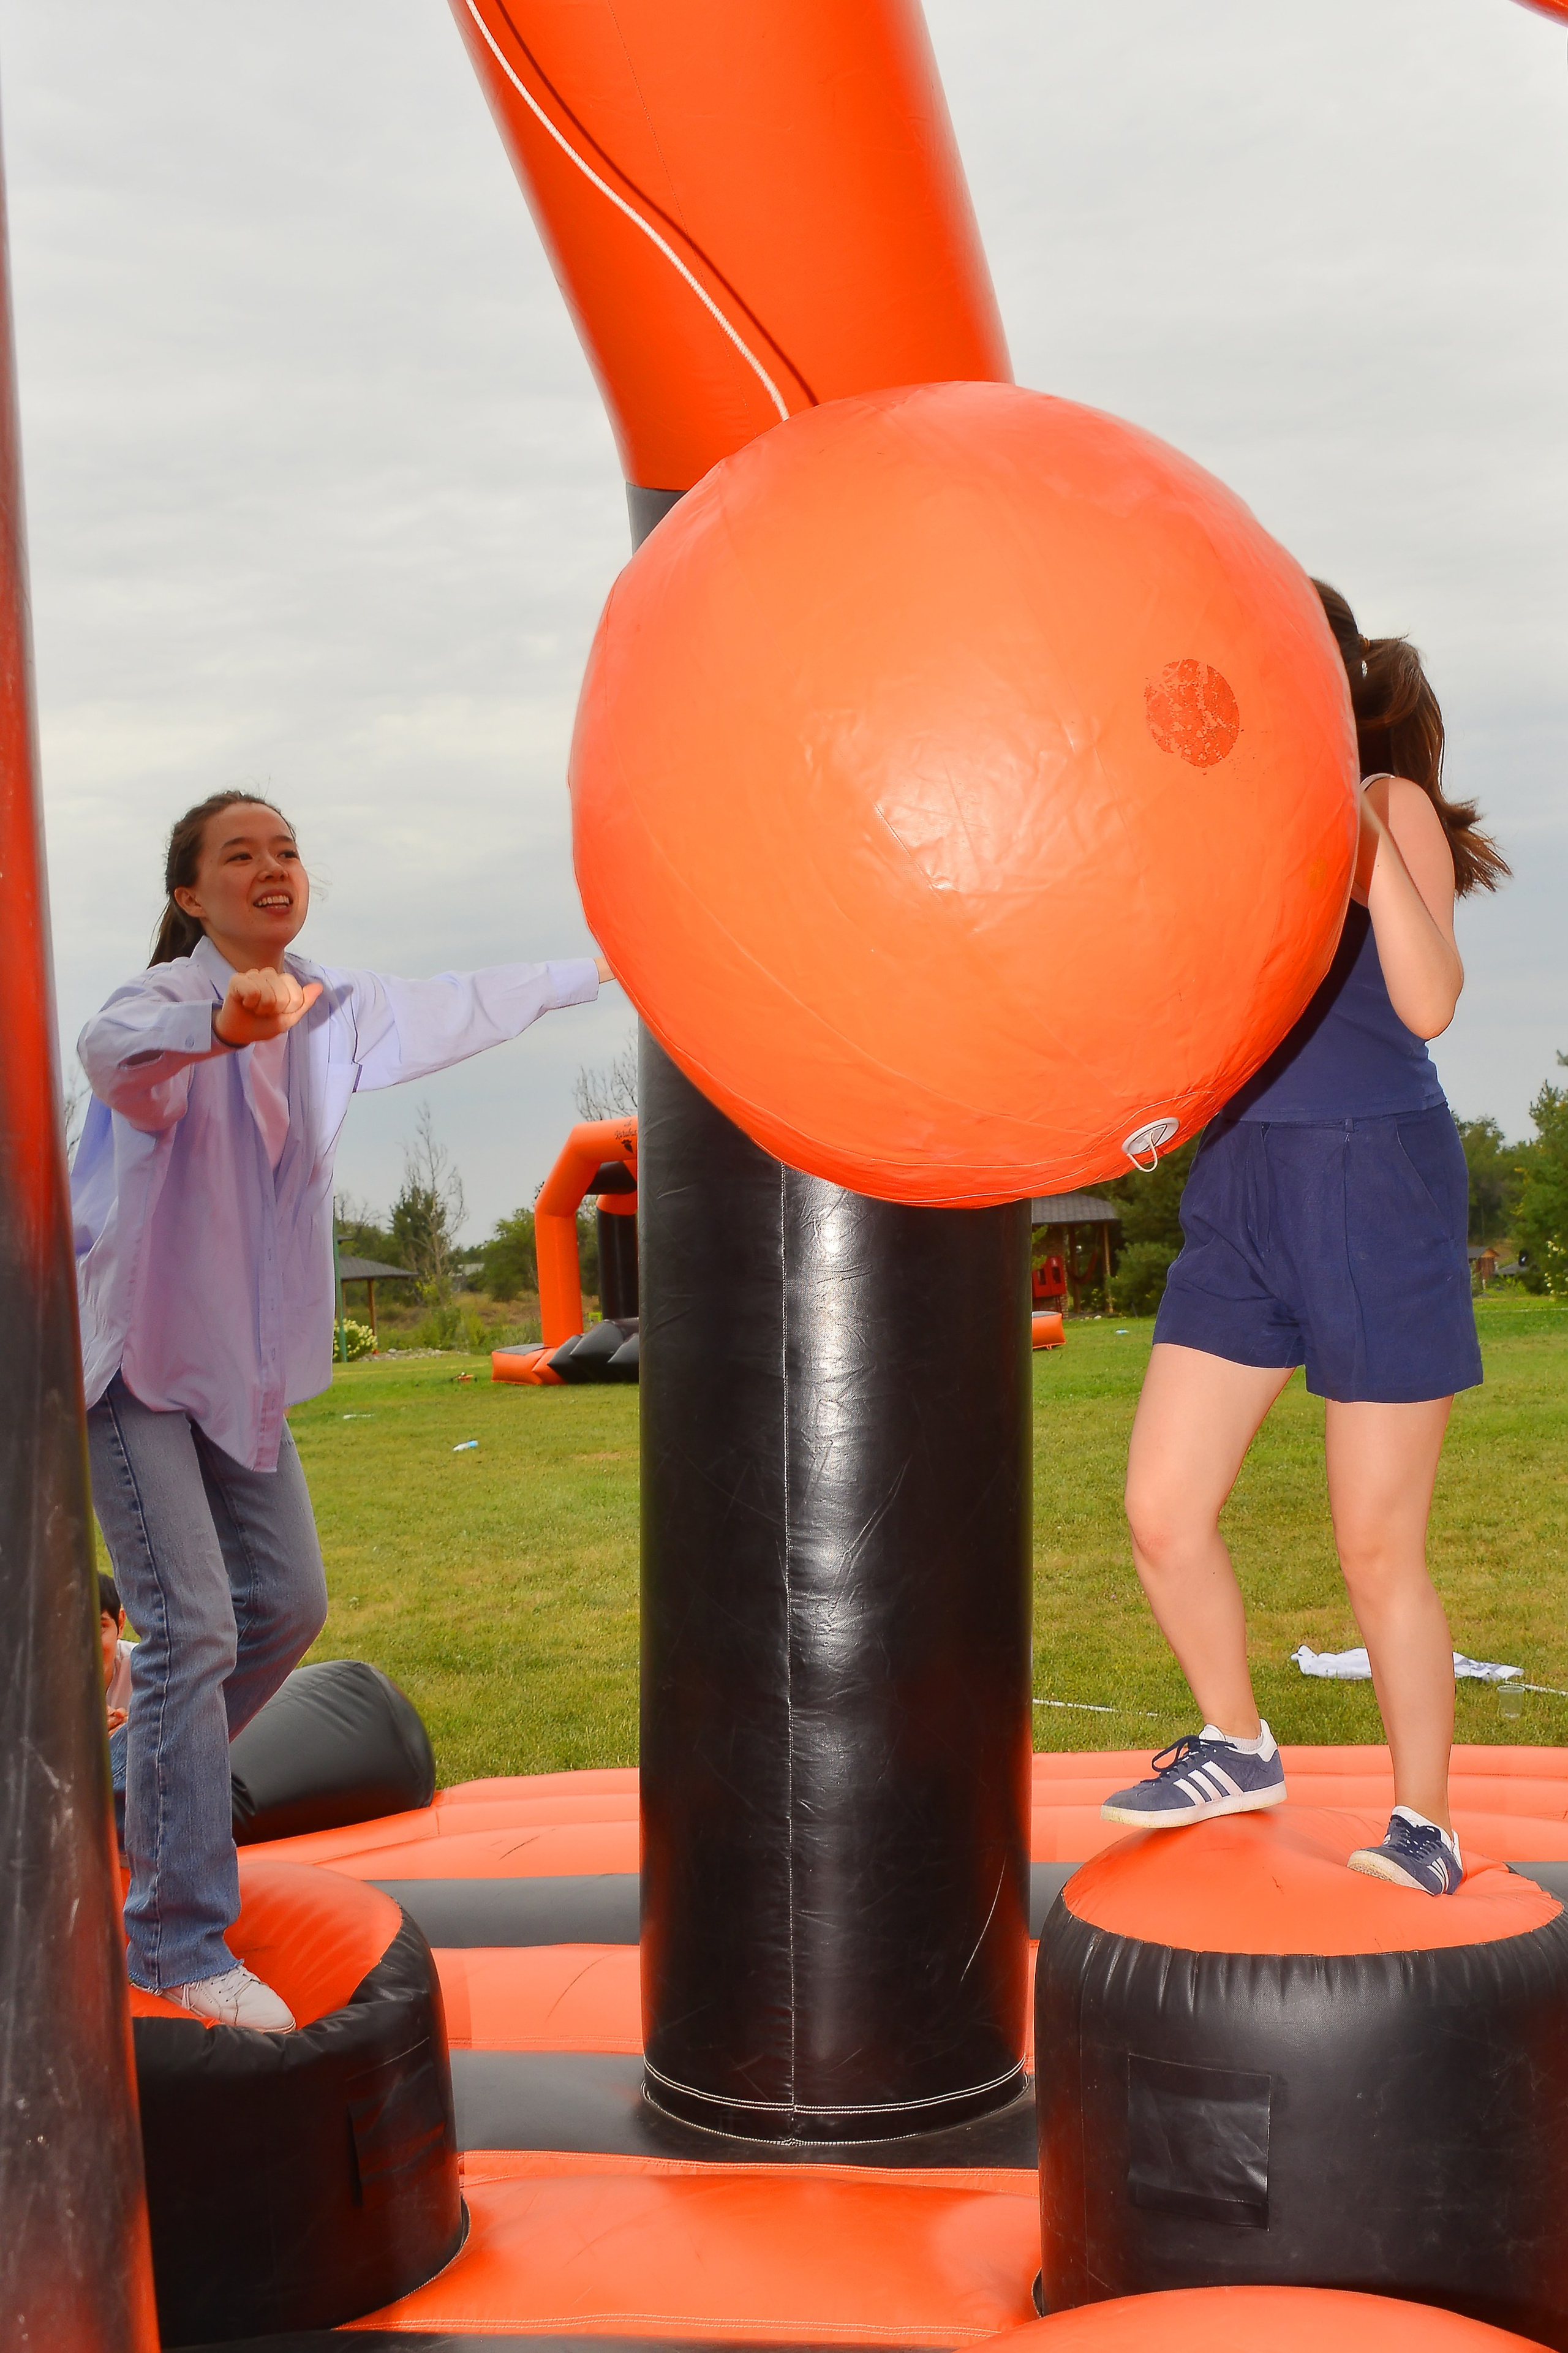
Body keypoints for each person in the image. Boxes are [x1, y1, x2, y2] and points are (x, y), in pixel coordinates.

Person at [75, 790, 611, 2025]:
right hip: (130, 1364)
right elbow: (119, 1061)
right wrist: (221, 1021)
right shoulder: (159, 1005)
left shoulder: (330, 1009)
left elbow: (459, 1003)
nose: (271, 868)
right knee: (193, 1625)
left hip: (234, 1372)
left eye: (286, 850)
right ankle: (173, 1941)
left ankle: (133, 1783)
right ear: (189, 897)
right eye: (238, 856)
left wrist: (597, 968)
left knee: (287, 1603)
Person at [1102, 583, 1507, 1896]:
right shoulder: (1213, 826)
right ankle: (1235, 1742)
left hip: (1370, 1177)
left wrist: (1336, 805)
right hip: (1242, 1188)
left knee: (1373, 1545)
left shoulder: (1381, 809)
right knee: (1162, 1510)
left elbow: (1429, 998)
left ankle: (1425, 1826)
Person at [100, 1571, 133, 1732]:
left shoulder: (149, 1673)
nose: (87, 1644)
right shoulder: (30, 1680)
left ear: (120, 1624)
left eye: (100, 1628)